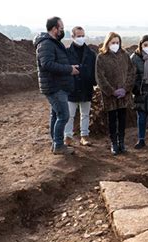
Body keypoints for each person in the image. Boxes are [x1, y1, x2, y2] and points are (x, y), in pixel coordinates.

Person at [33, 17, 79, 155]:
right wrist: (69, 69)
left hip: (58, 85)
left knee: (56, 114)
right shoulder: (46, 44)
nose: (62, 30)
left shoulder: (53, 43)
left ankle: (56, 143)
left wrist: (70, 67)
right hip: (54, 86)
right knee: (64, 115)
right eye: (61, 28)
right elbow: (47, 64)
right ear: (54, 29)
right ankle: (58, 145)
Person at [96, 32, 135, 155]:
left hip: (124, 95)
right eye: (113, 42)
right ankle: (114, 143)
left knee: (122, 119)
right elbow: (100, 77)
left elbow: (131, 72)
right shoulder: (101, 57)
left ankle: (122, 142)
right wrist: (111, 91)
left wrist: (125, 89)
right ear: (107, 43)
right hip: (110, 97)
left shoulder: (125, 55)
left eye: (117, 42)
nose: (115, 45)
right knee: (112, 119)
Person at [64, 26, 97, 147]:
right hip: (72, 87)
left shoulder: (91, 54)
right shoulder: (66, 52)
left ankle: (84, 136)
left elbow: (94, 70)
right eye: (78, 36)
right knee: (70, 115)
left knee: (85, 114)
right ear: (72, 37)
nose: (81, 38)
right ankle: (67, 136)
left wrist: (94, 83)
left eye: (83, 35)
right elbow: (64, 69)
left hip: (86, 87)